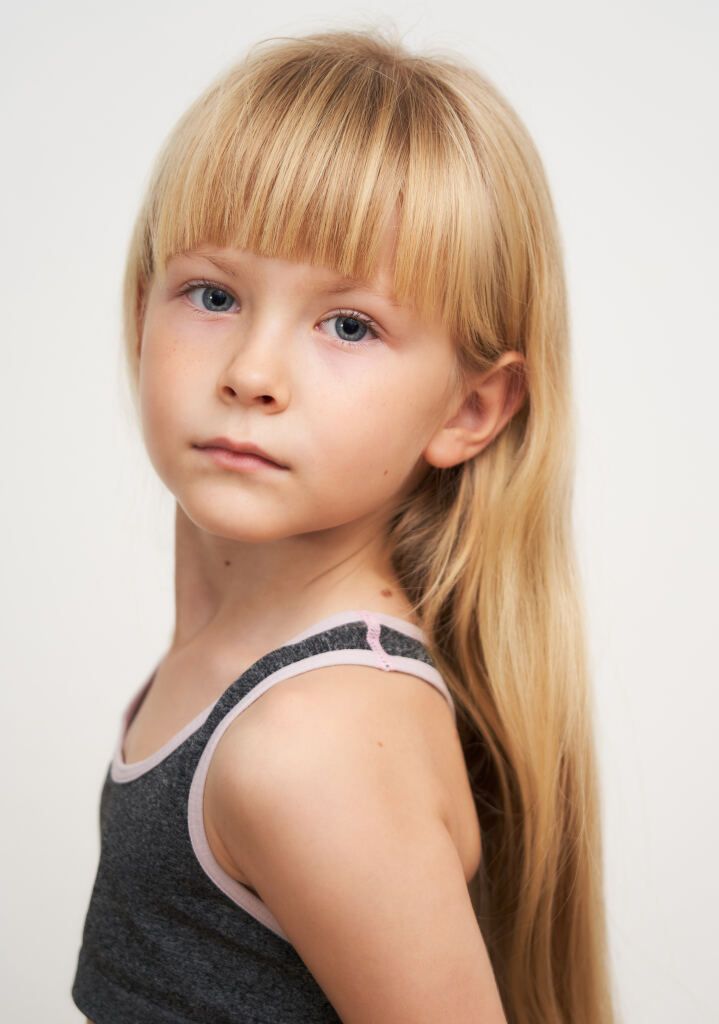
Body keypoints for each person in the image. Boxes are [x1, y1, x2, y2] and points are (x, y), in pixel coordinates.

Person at [71, 25, 616, 1024]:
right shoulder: (236, 670)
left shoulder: (309, 740)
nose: (251, 372)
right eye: (213, 294)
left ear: (469, 410)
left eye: (350, 324)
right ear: (141, 309)